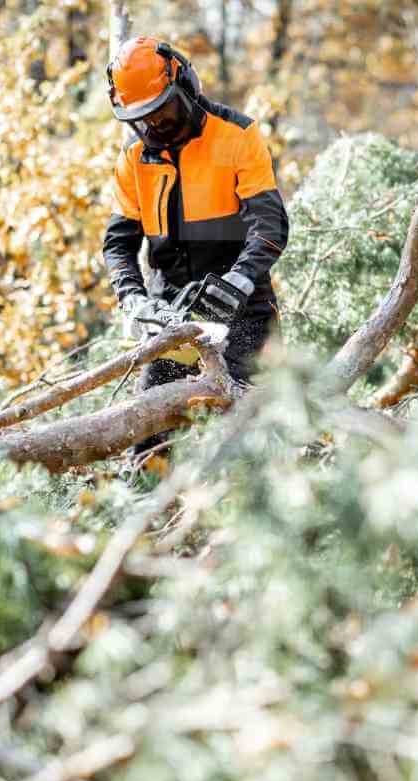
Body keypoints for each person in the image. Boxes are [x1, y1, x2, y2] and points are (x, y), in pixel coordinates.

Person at [102, 36, 290, 462]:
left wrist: (238, 280)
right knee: (150, 436)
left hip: (244, 308)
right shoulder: (134, 158)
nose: (156, 125)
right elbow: (119, 241)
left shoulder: (237, 135)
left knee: (255, 440)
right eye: (143, 117)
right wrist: (132, 297)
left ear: (185, 85)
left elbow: (271, 224)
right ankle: (148, 513)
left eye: (163, 110)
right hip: (171, 312)